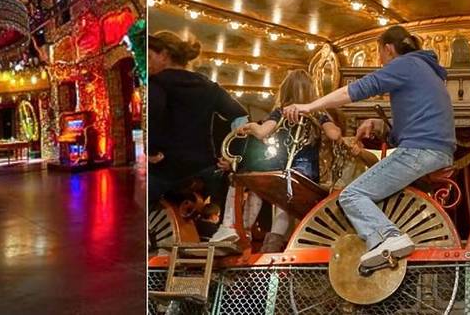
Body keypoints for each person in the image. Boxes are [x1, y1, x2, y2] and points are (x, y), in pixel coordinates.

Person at [284, 25, 455, 271]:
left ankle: (388, 238)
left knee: (352, 195)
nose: (380, 60)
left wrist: (309, 106)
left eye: (379, 53)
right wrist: (379, 124)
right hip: (436, 149)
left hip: (419, 150)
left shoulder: (405, 64)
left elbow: (356, 90)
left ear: (388, 49)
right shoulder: (426, 69)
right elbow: (417, 121)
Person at [208, 70, 346, 253]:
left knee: (258, 184)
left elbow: (262, 132)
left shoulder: (282, 112)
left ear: (285, 90)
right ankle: (268, 243)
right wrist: (330, 125)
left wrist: (251, 126)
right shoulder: (317, 112)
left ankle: (240, 230)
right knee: (281, 201)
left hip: (283, 167)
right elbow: (334, 134)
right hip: (303, 171)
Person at [147, 31, 247, 214]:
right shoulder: (209, 86)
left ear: (164, 55)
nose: (148, 64)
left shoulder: (157, 83)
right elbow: (240, 116)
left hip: (167, 171)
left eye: (150, 57)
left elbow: (153, 113)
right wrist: (233, 155)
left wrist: (151, 151)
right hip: (205, 173)